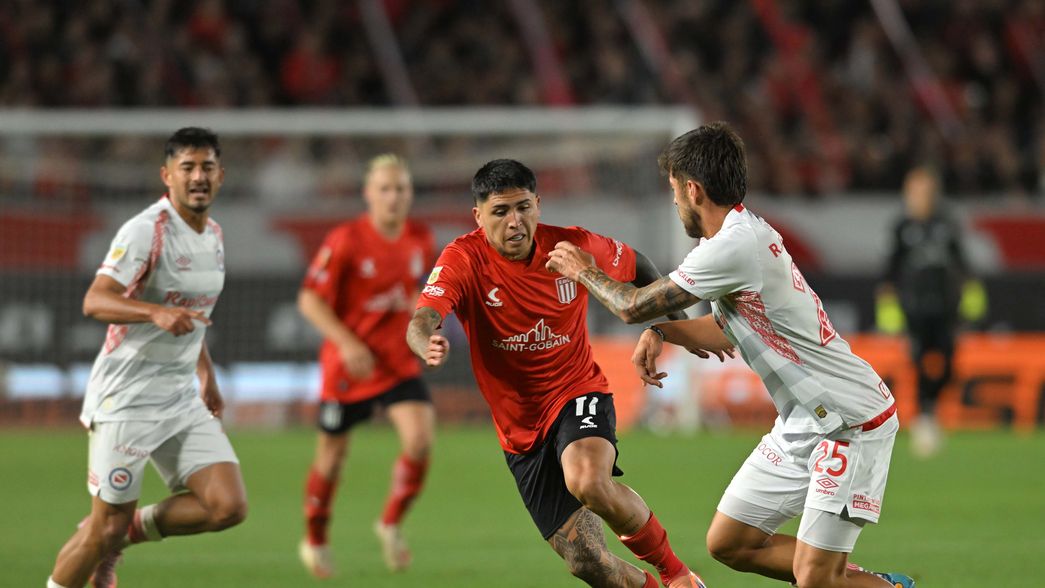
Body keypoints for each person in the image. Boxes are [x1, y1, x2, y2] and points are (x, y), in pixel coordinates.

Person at [545, 122, 916, 588]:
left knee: (816, 579)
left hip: (848, 422)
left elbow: (630, 304)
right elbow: (726, 333)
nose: (673, 201)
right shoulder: (739, 238)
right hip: (802, 421)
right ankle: (862, 581)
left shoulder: (734, 246)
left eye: (674, 190)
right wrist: (664, 332)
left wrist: (584, 271)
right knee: (730, 543)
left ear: (693, 190)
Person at [407, 159, 706, 588]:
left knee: (587, 480)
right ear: (478, 216)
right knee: (587, 561)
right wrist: (425, 341)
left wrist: (678, 326)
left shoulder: (571, 247)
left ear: (538, 205)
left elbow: (638, 264)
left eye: (523, 208)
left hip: (577, 392)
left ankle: (677, 575)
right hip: (520, 433)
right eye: (500, 212)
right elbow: (422, 318)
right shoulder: (464, 258)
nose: (515, 222)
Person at [47, 127, 247, 588]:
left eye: (207, 167)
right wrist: (153, 312)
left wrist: (206, 375)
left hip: (178, 396)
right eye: (188, 168)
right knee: (104, 529)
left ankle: (128, 532)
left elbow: (193, 317)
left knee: (227, 506)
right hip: (127, 398)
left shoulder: (214, 235)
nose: (198, 176)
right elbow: (95, 301)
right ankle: (104, 540)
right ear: (167, 176)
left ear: (221, 176)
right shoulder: (145, 231)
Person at [297, 154, 436, 578]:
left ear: (410, 193)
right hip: (350, 367)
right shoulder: (346, 240)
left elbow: (414, 294)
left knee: (420, 441)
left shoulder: (419, 239)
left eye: (401, 189)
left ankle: (390, 523)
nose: (394, 197)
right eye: (385, 189)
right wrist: (346, 343)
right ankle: (316, 538)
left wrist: (423, 335)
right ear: (368, 194)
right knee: (332, 459)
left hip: (396, 364)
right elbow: (309, 299)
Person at [876, 165, 985, 458]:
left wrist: (971, 289)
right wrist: (887, 304)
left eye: (925, 192)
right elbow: (890, 268)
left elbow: (960, 259)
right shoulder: (902, 227)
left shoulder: (946, 223)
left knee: (949, 364)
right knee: (918, 361)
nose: (920, 198)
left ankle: (930, 409)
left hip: (946, 308)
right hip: (914, 310)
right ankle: (925, 415)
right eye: (915, 192)